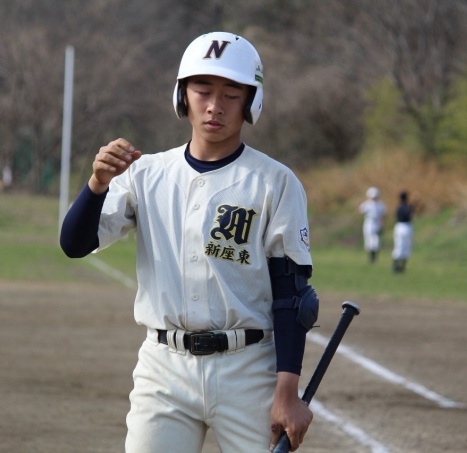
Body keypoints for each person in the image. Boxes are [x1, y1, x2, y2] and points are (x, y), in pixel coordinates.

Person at [60, 32, 319, 452]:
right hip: (164, 368)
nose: (215, 105)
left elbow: (292, 295)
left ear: (251, 101)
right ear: (182, 95)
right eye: (202, 90)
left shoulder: (275, 182)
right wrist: (97, 184)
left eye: (231, 94)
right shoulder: (145, 174)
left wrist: (287, 394)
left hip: (248, 367)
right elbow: (75, 244)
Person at [358, 186, 386, 263]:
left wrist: (382, 224)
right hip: (369, 223)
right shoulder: (367, 204)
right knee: (368, 240)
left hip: (377, 223)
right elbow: (361, 211)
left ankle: (374, 257)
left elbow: (383, 215)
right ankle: (370, 258)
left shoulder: (380, 204)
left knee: (376, 241)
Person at [392, 191, 413, 273]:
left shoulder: (398, 207)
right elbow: (409, 215)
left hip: (398, 227)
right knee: (406, 247)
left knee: (399, 246)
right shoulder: (407, 207)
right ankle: (401, 266)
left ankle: (395, 265)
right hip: (406, 226)